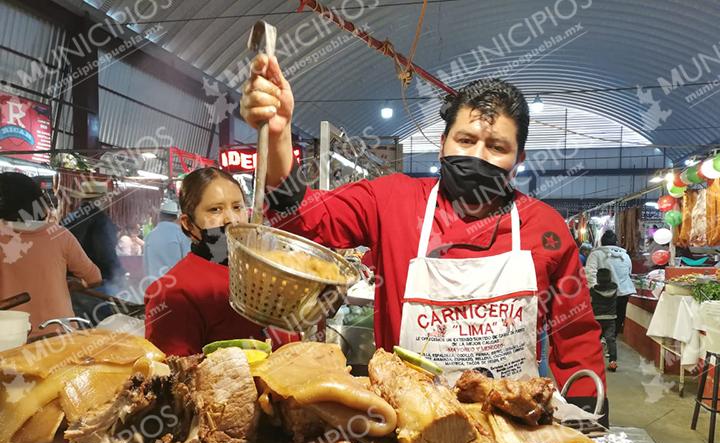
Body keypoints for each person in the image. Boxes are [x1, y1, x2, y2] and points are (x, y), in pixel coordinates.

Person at [240, 54, 606, 397]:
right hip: (407, 424)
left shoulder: (545, 226)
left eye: (496, 146)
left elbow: (575, 336)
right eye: (465, 140)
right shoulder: (391, 201)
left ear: (518, 159)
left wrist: (587, 417)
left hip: (512, 431)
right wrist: (277, 134)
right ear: (442, 143)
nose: (477, 155)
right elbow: (302, 217)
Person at [144, 168, 294, 355]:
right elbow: (172, 376)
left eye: (237, 207)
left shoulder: (264, 273)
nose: (231, 219)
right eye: (215, 210)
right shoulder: (173, 293)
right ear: (188, 224)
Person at [0, 172, 101, 336]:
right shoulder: (60, 234)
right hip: (61, 333)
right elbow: (94, 278)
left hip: (13, 337)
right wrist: (76, 284)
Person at [60, 181, 125, 323]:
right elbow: (105, 253)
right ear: (102, 199)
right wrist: (119, 274)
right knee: (101, 328)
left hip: (69, 285)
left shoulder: (68, 219)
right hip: (95, 286)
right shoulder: (101, 220)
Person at [585, 230, 636, 335]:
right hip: (623, 292)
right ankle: (612, 341)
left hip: (602, 295)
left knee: (601, 321)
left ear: (602, 242)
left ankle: (603, 344)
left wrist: (594, 290)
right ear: (616, 242)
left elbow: (590, 273)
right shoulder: (625, 256)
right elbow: (629, 272)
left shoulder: (596, 255)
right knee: (618, 319)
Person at [142, 198, 190, 287]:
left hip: (155, 286)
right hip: (175, 285)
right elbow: (188, 262)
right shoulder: (181, 235)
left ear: (160, 216)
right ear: (177, 217)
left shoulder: (150, 236)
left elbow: (145, 265)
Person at [590, 268, 618, 372]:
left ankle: (594, 362)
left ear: (598, 279)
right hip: (610, 318)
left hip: (597, 318)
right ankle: (613, 362)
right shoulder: (615, 288)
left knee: (594, 340)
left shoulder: (593, 290)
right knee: (611, 340)